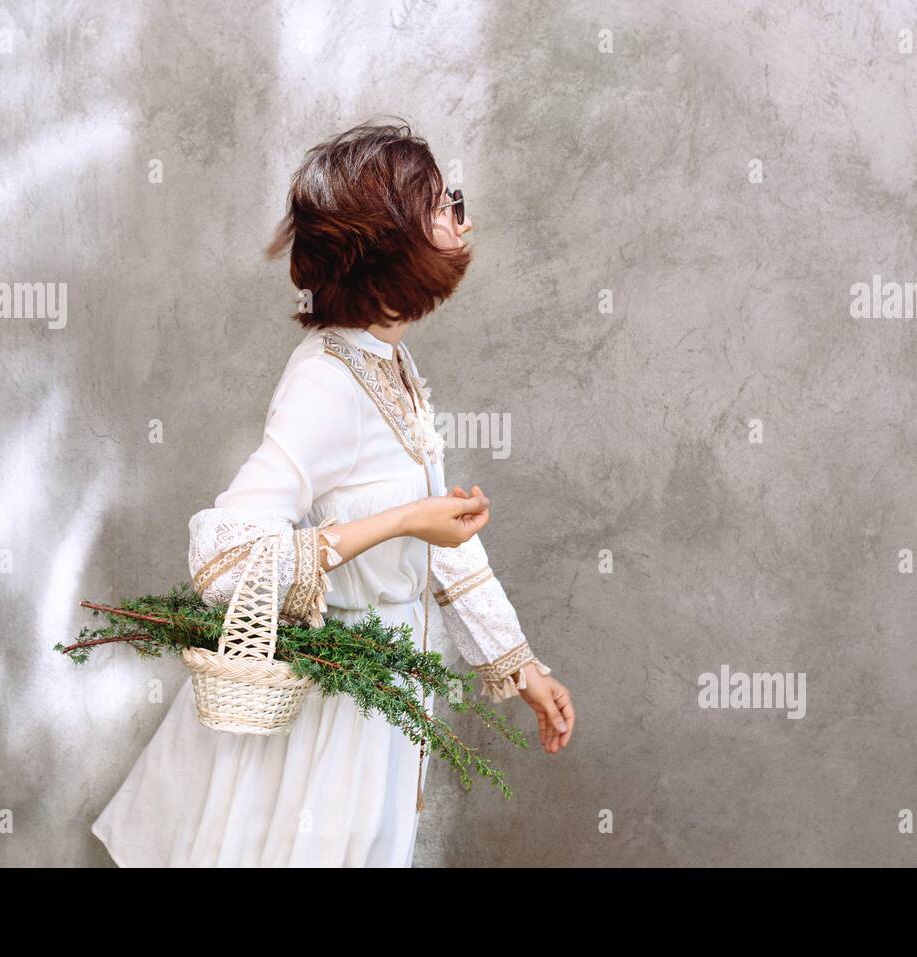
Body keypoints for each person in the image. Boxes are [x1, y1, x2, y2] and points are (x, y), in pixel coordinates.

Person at [91, 120, 575, 867]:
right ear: (388, 248)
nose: (459, 210)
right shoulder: (324, 380)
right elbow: (223, 560)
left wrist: (520, 666)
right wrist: (405, 518)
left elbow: (437, 545)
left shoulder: (390, 362)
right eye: (440, 200)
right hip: (329, 720)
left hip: (382, 709)